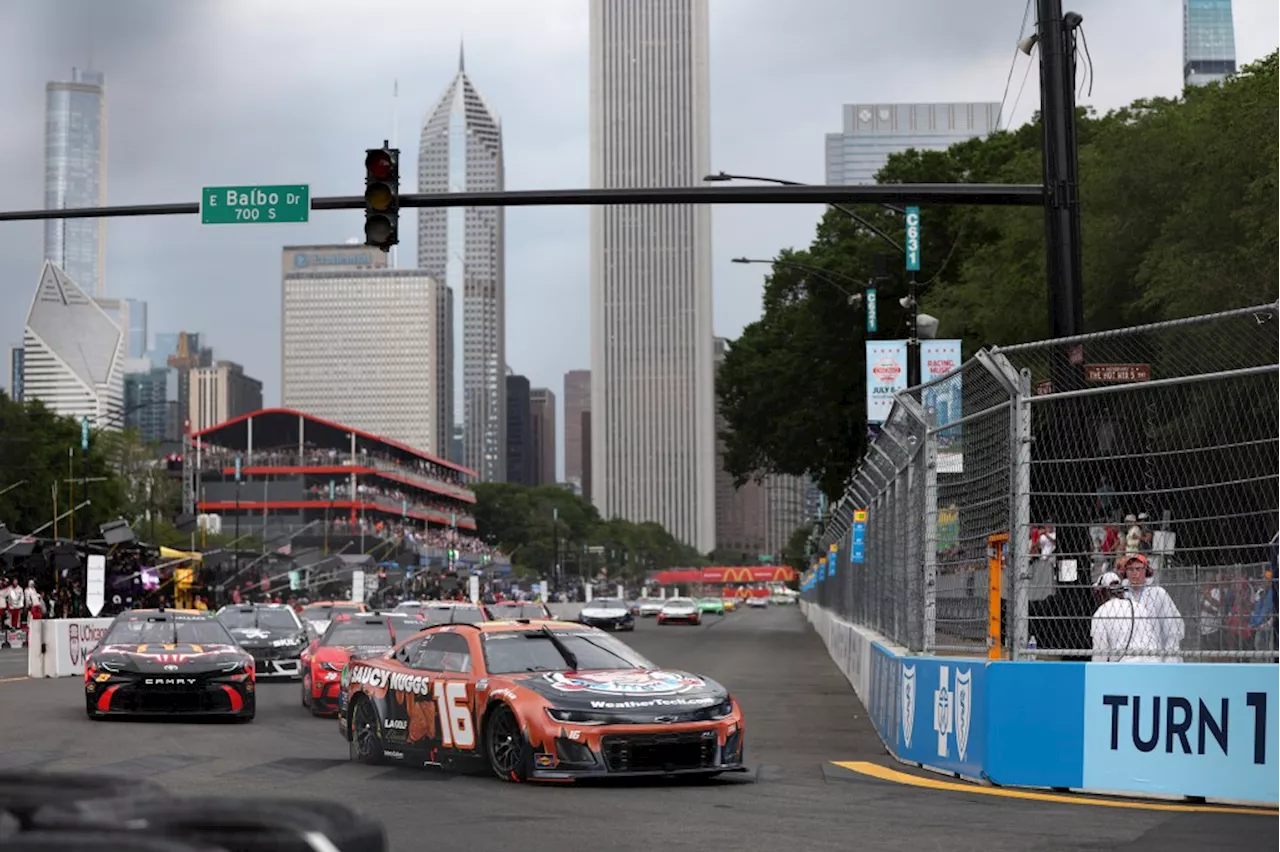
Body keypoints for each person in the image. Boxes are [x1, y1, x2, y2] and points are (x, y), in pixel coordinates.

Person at [1120, 552, 1185, 662]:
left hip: (1153, 655)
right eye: (1130, 569)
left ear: (1146, 570)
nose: (1134, 573)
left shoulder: (1158, 593)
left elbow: (1172, 628)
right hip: (1127, 656)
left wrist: (1170, 659)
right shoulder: (1122, 595)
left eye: (1138, 569)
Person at [1090, 571, 1162, 662]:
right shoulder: (1138, 607)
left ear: (1102, 592)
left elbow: (1100, 653)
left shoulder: (1101, 613)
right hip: (1151, 662)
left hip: (1126, 666)